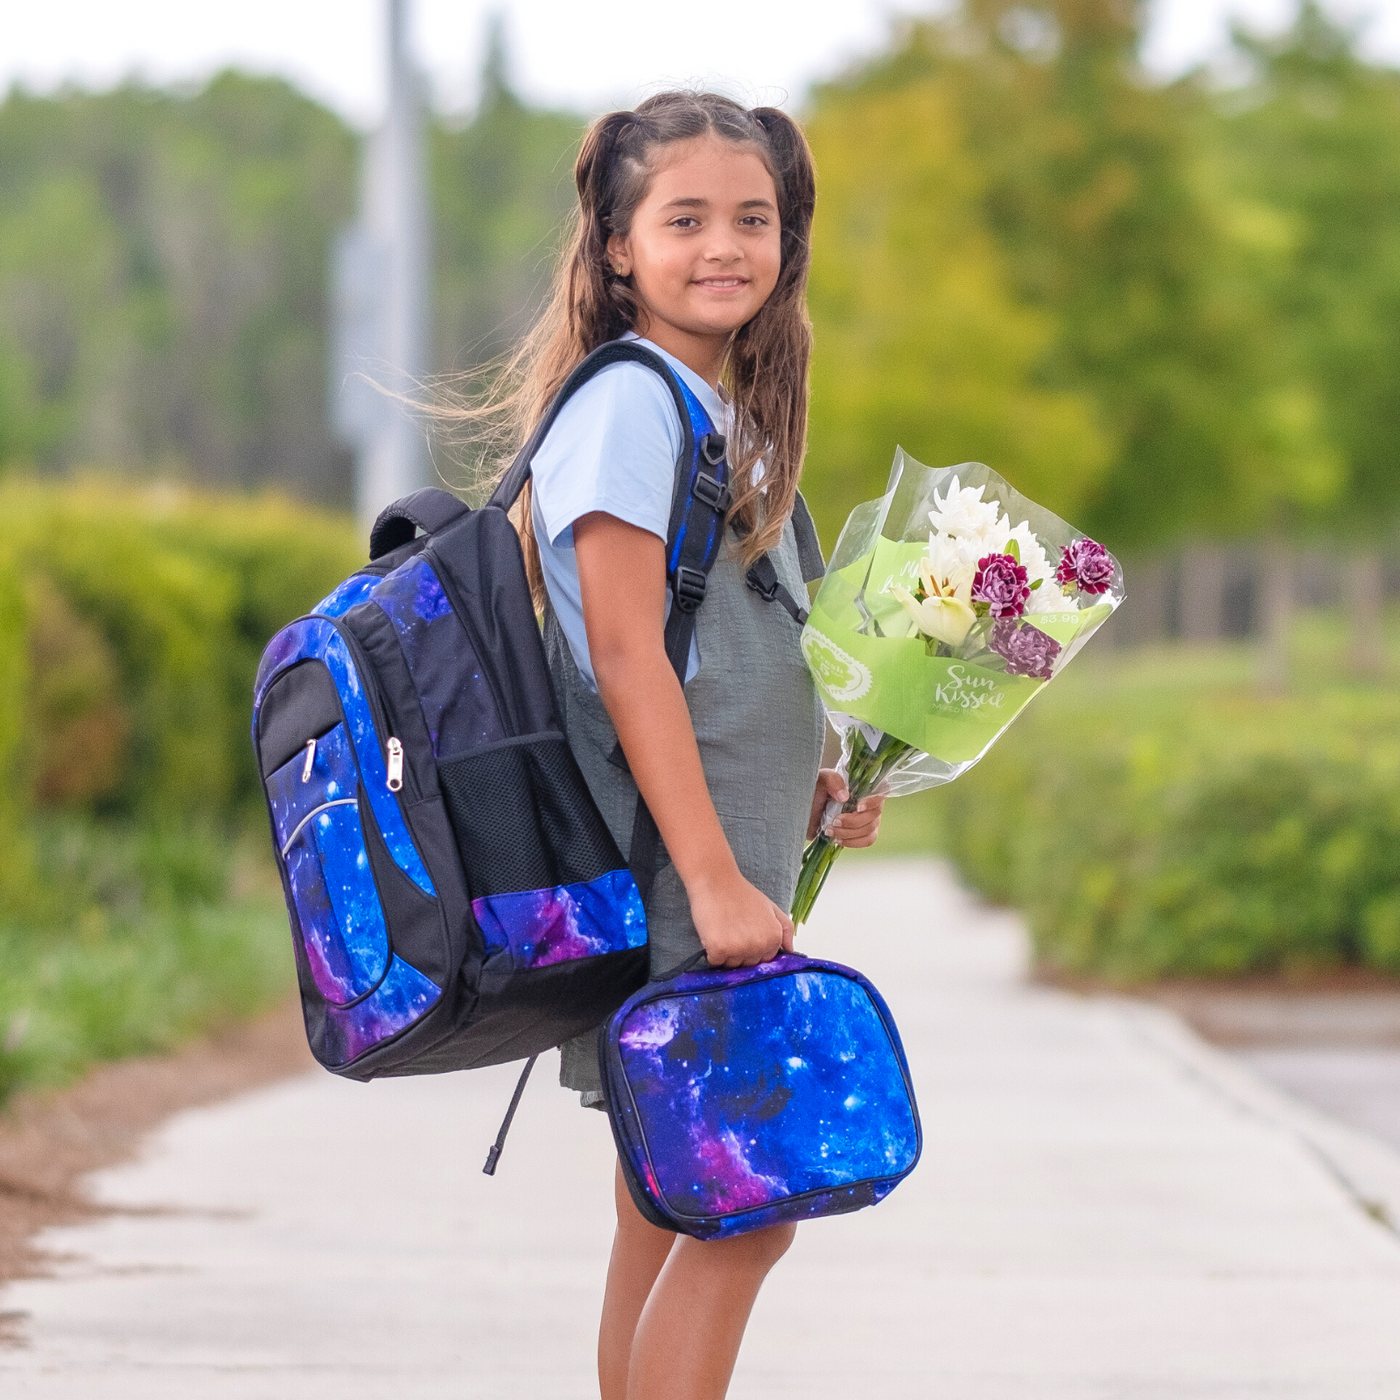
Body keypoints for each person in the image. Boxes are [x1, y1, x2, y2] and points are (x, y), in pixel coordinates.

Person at [468, 91, 886, 1400]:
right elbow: (629, 649)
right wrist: (710, 877)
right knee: (746, 1202)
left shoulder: (722, 411)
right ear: (617, 247)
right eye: (686, 218)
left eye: (753, 218)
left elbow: (720, 650)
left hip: (720, 855)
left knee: (665, 1203)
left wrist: (815, 782)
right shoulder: (632, 405)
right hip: (676, 868)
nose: (725, 245)